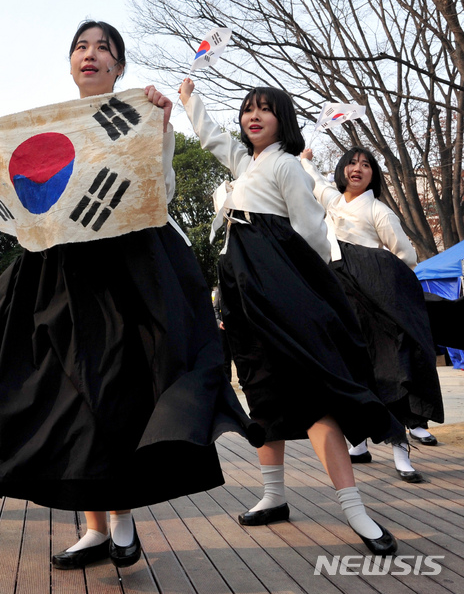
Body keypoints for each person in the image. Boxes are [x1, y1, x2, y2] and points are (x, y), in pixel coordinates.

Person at [0, 20, 262, 571]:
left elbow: (158, 190)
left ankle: (121, 518)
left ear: (119, 67)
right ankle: (93, 528)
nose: (91, 55)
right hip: (55, 274)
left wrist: (158, 124)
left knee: (114, 391)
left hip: (125, 274)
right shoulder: (42, 129)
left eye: (104, 49)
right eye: (81, 48)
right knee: (63, 396)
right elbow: (18, 204)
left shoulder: (141, 114)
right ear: (70, 63)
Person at [179, 77, 402, 556]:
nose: (252, 117)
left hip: (279, 282)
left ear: (283, 118)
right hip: (242, 287)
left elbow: (311, 234)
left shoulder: (286, 167)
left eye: (265, 109)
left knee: (313, 391)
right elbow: (215, 139)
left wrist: (309, 292)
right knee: (261, 390)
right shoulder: (247, 163)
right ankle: (274, 496)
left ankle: (355, 509)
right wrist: (190, 101)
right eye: (247, 110)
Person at [301, 148, 444, 480]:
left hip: (375, 305)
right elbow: (313, 179)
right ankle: (359, 444)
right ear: (342, 170)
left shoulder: (379, 211)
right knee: (350, 372)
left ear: (373, 176)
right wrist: (304, 157)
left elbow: (405, 257)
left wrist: (376, 275)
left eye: (366, 165)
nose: (358, 168)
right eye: (352, 163)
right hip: (339, 300)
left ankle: (400, 450)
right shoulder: (332, 201)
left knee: (388, 373)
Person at [212, 284, 233, 382]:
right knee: (225, 356)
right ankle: (227, 380)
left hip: (234, 327)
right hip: (223, 328)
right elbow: (215, 309)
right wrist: (219, 322)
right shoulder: (218, 291)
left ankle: (243, 379)